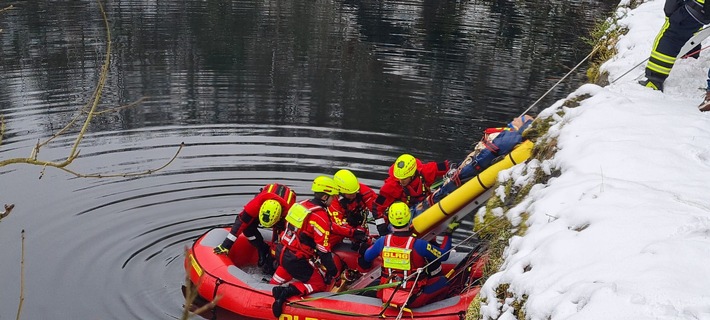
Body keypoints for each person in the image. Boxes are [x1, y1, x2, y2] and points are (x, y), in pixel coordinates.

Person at [417, 115, 534, 211]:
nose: (514, 119)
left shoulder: (508, 138)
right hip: (467, 166)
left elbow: (482, 159)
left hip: (467, 170)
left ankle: (424, 205)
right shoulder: (507, 137)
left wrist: (457, 173)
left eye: (519, 119)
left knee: (437, 193)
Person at [358, 202, 459, 308]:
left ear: (390, 220)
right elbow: (445, 255)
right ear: (409, 218)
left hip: (386, 294)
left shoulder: (382, 242)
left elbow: (367, 256)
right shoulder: (419, 244)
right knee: (443, 281)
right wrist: (449, 233)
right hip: (412, 298)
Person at [269, 176, 341, 318]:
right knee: (319, 284)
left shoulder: (300, 205)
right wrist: (335, 274)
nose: (334, 200)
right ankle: (285, 293)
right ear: (325, 197)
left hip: (281, 252)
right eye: (332, 197)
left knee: (287, 269)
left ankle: (269, 288)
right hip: (296, 259)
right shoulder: (320, 217)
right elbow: (324, 251)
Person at [213, 183, 297, 274]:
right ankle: (262, 248)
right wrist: (226, 245)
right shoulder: (256, 204)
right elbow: (240, 222)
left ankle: (270, 266)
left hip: (282, 215)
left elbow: (282, 241)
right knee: (248, 228)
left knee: (278, 245)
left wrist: (271, 260)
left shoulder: (289, 215)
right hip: (267, 206)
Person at [371, 154, 452, 236]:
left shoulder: (425, 171)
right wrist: (381, 227)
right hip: (402, 221)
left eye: (404, 178)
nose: (401, 181)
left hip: (426, 209)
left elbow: (447, 166)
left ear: (413, 174)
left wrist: (455, 167)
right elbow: (376, 208)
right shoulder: (391, 186)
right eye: (399, 178)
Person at [639, 0, 709, 91]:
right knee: (689, 27)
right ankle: (690, 55)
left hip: (696, 7)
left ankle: (654, 80)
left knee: (671, 36)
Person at [329, 169, 376, 249]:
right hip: (340, 226)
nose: (354, 195)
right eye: (350, 194)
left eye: (355, 192)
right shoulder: (333, 201)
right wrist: (354, 233)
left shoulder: (362, 191)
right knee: (331, 239)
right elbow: (338, 225)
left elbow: (378, 207)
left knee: (364, 240)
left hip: (358, 222)